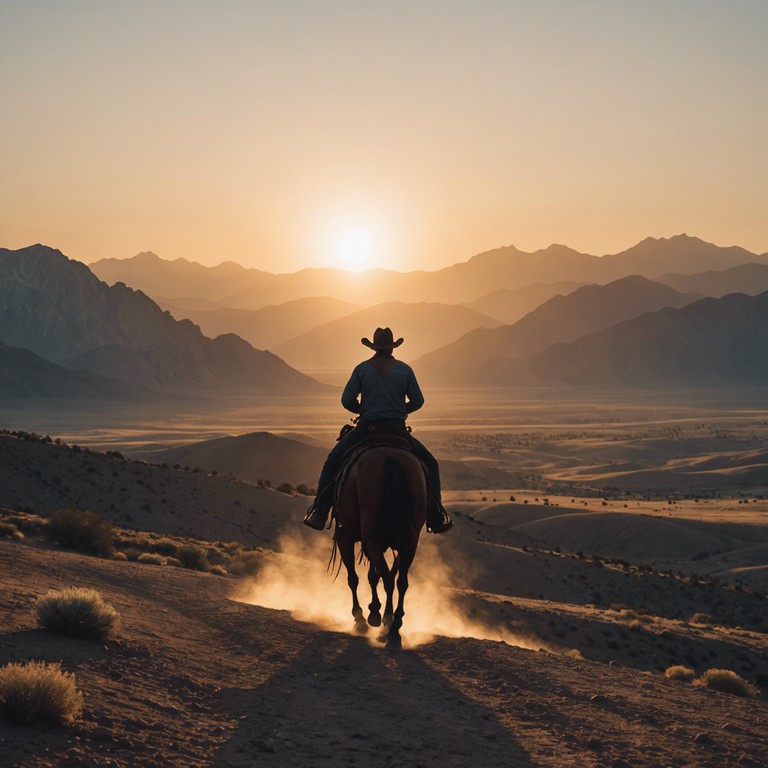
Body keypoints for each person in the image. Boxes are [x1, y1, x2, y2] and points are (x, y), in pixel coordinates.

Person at [303, 326, 453, 534]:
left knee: (333, 461)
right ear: (392, 348)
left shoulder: (362, 369)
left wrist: (362, 409)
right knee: (431, 464)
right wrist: (401, 409)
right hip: (397, 430)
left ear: (373, 348)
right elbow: (418, 401)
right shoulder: (405, 370)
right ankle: (436, 514)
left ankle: (319, 510)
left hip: (367, 429)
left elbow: (347, 400)